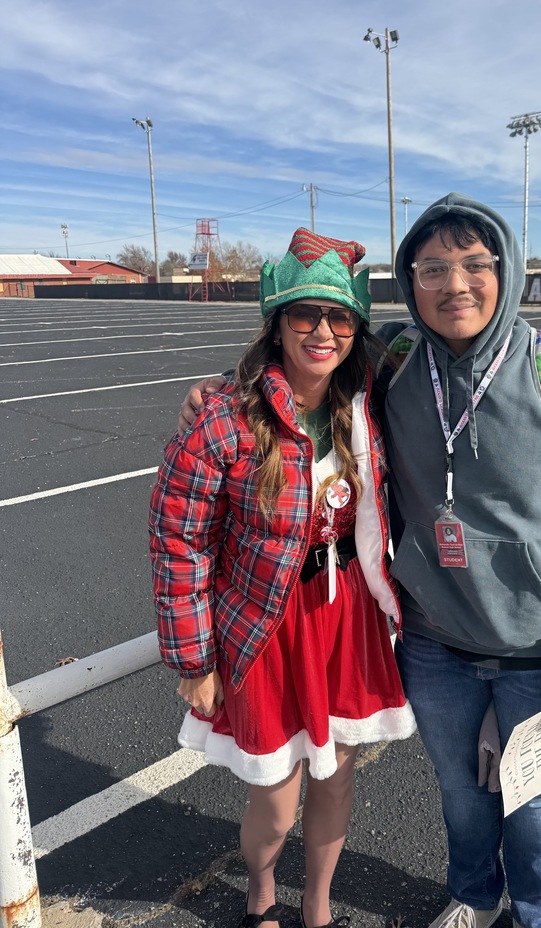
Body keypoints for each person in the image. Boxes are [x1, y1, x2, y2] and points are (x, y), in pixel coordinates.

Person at [179, 195, 541, 928]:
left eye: (474, 264)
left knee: (539, 802)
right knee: (460, 792)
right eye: (432, 268)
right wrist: (220, 389)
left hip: (536, 647)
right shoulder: (393, 363)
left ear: (505, 270)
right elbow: (305, 355)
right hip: (433, 644)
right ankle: (474, 896)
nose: (454, 283)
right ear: (410, 282)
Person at [150, 228, 416, 928]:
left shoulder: (368, 400)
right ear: (277, 324)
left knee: (337, 779)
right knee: (275, 797)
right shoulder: (224, 419)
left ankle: (319, 907)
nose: (322, 331)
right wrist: (192, 657)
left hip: (347, 620)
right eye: (305, 315)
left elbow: (447, 344)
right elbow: (178, 541)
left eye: (339, 317)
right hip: (267, 625)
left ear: (356, 329)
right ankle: (261, 890)